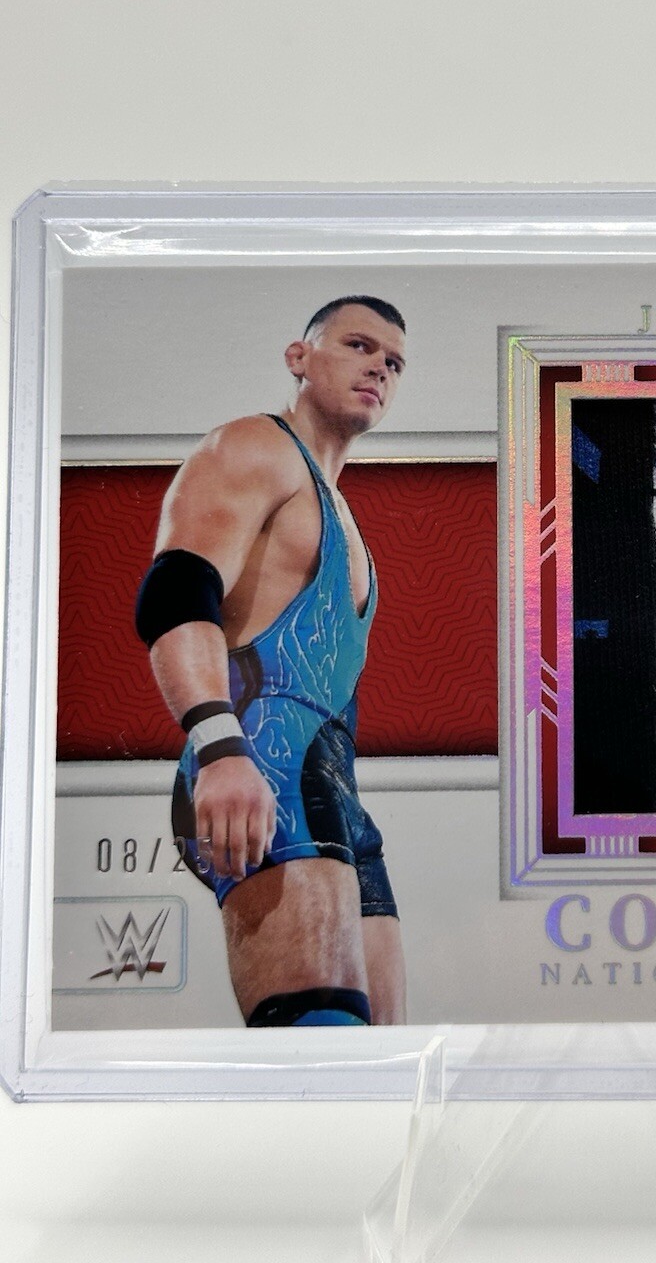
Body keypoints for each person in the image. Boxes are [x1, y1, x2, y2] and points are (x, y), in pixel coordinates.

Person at [134, 296, 408, 1027]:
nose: (379, 367)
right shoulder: (254, 448)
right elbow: (173, 595)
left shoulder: (344, 518)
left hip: (333, 783)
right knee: (318, 1042)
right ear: (299, 357)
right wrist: (220, 750)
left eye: (393, 362)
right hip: (261, 754)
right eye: (358, 346)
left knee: (380, 1057)